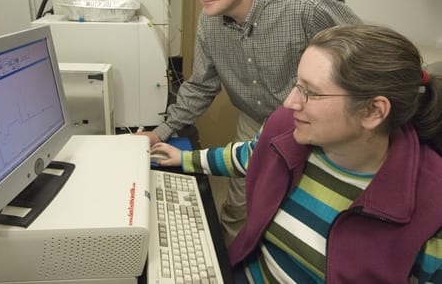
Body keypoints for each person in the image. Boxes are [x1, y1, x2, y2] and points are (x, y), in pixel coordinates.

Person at [150, 24, 442, 283]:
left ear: (372, 111)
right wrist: (184, 158)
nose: (290, 102)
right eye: (296, 85)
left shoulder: (432, 210)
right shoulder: (288, 129)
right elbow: (251, 155)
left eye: (310, 92)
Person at [138, 0, 362, 245]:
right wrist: (160, 132)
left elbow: (370, 62)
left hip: (319, 128)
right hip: (254, 124)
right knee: (238, 212)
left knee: (307, 219)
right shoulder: (208, 21)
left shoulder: (307, 5)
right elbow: (201, 86)